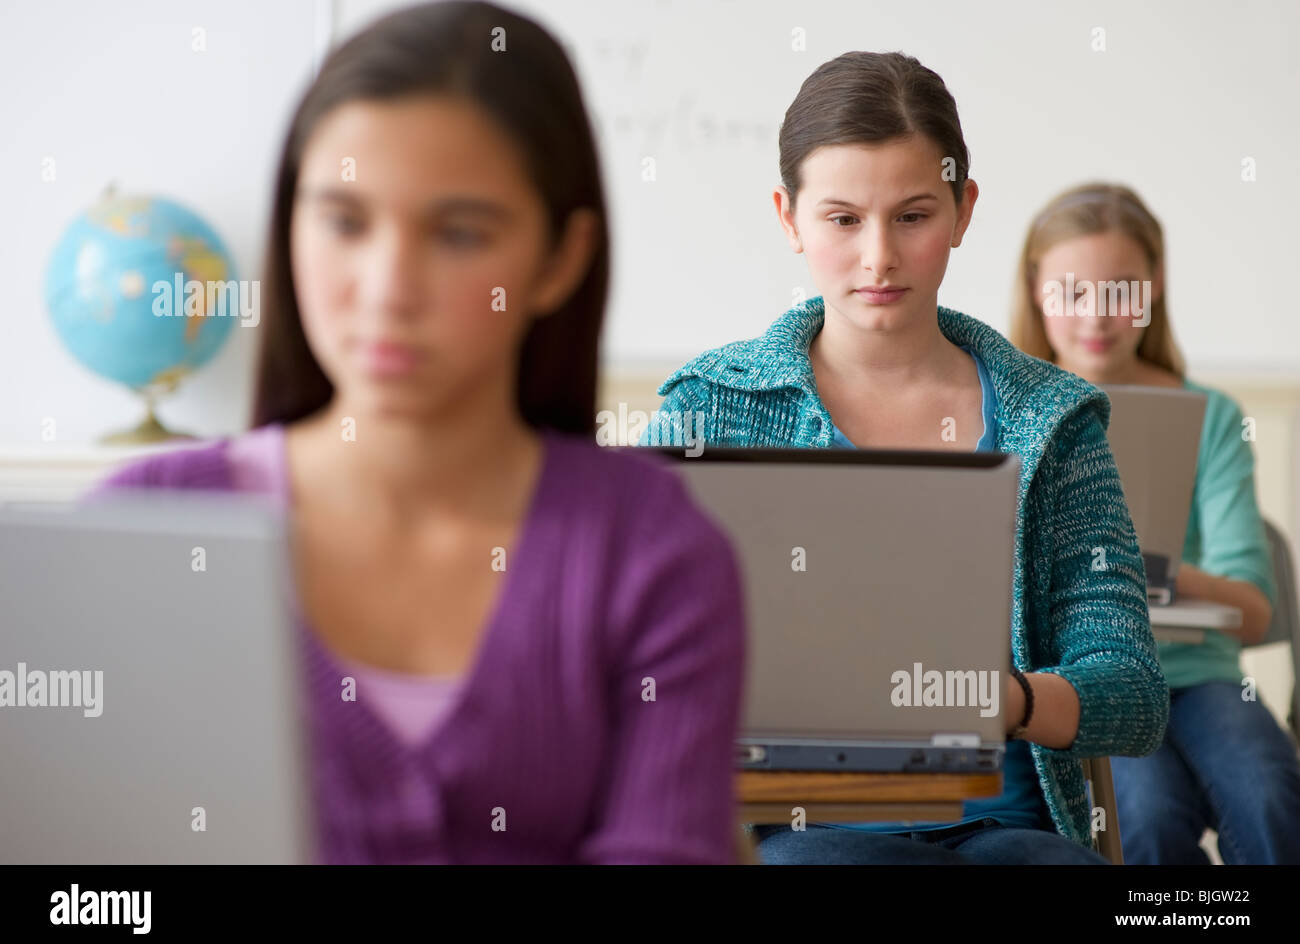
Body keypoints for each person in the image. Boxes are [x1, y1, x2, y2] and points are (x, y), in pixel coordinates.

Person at [86, 0, 745, 864]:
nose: (389, 288)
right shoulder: (137, 533)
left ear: (559, 260)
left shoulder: (654, 554)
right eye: (344, 221)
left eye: (460, 233)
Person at [641, 51, 1168, 864]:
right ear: (789, 218)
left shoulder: (1053, 421)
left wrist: (1010, 700)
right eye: (843, 219)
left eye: (914, 216)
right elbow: (627, 655)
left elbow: (1131, 690)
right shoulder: (708, 408)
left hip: (1013, 832)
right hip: (805, 833)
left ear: (963, 210)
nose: (879, 257)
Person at [1009, 181, 1300, 864]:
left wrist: (1142, 566)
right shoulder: (1014, 410)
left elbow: (1254, 612)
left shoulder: (1213, 418)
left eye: (1120, 290)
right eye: (1073, 292)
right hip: (1084, 680)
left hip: (1202, 677)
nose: (1098, 316)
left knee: (1268, 791)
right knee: (1145, 816)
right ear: (1035, 290)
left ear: (1155, 285)